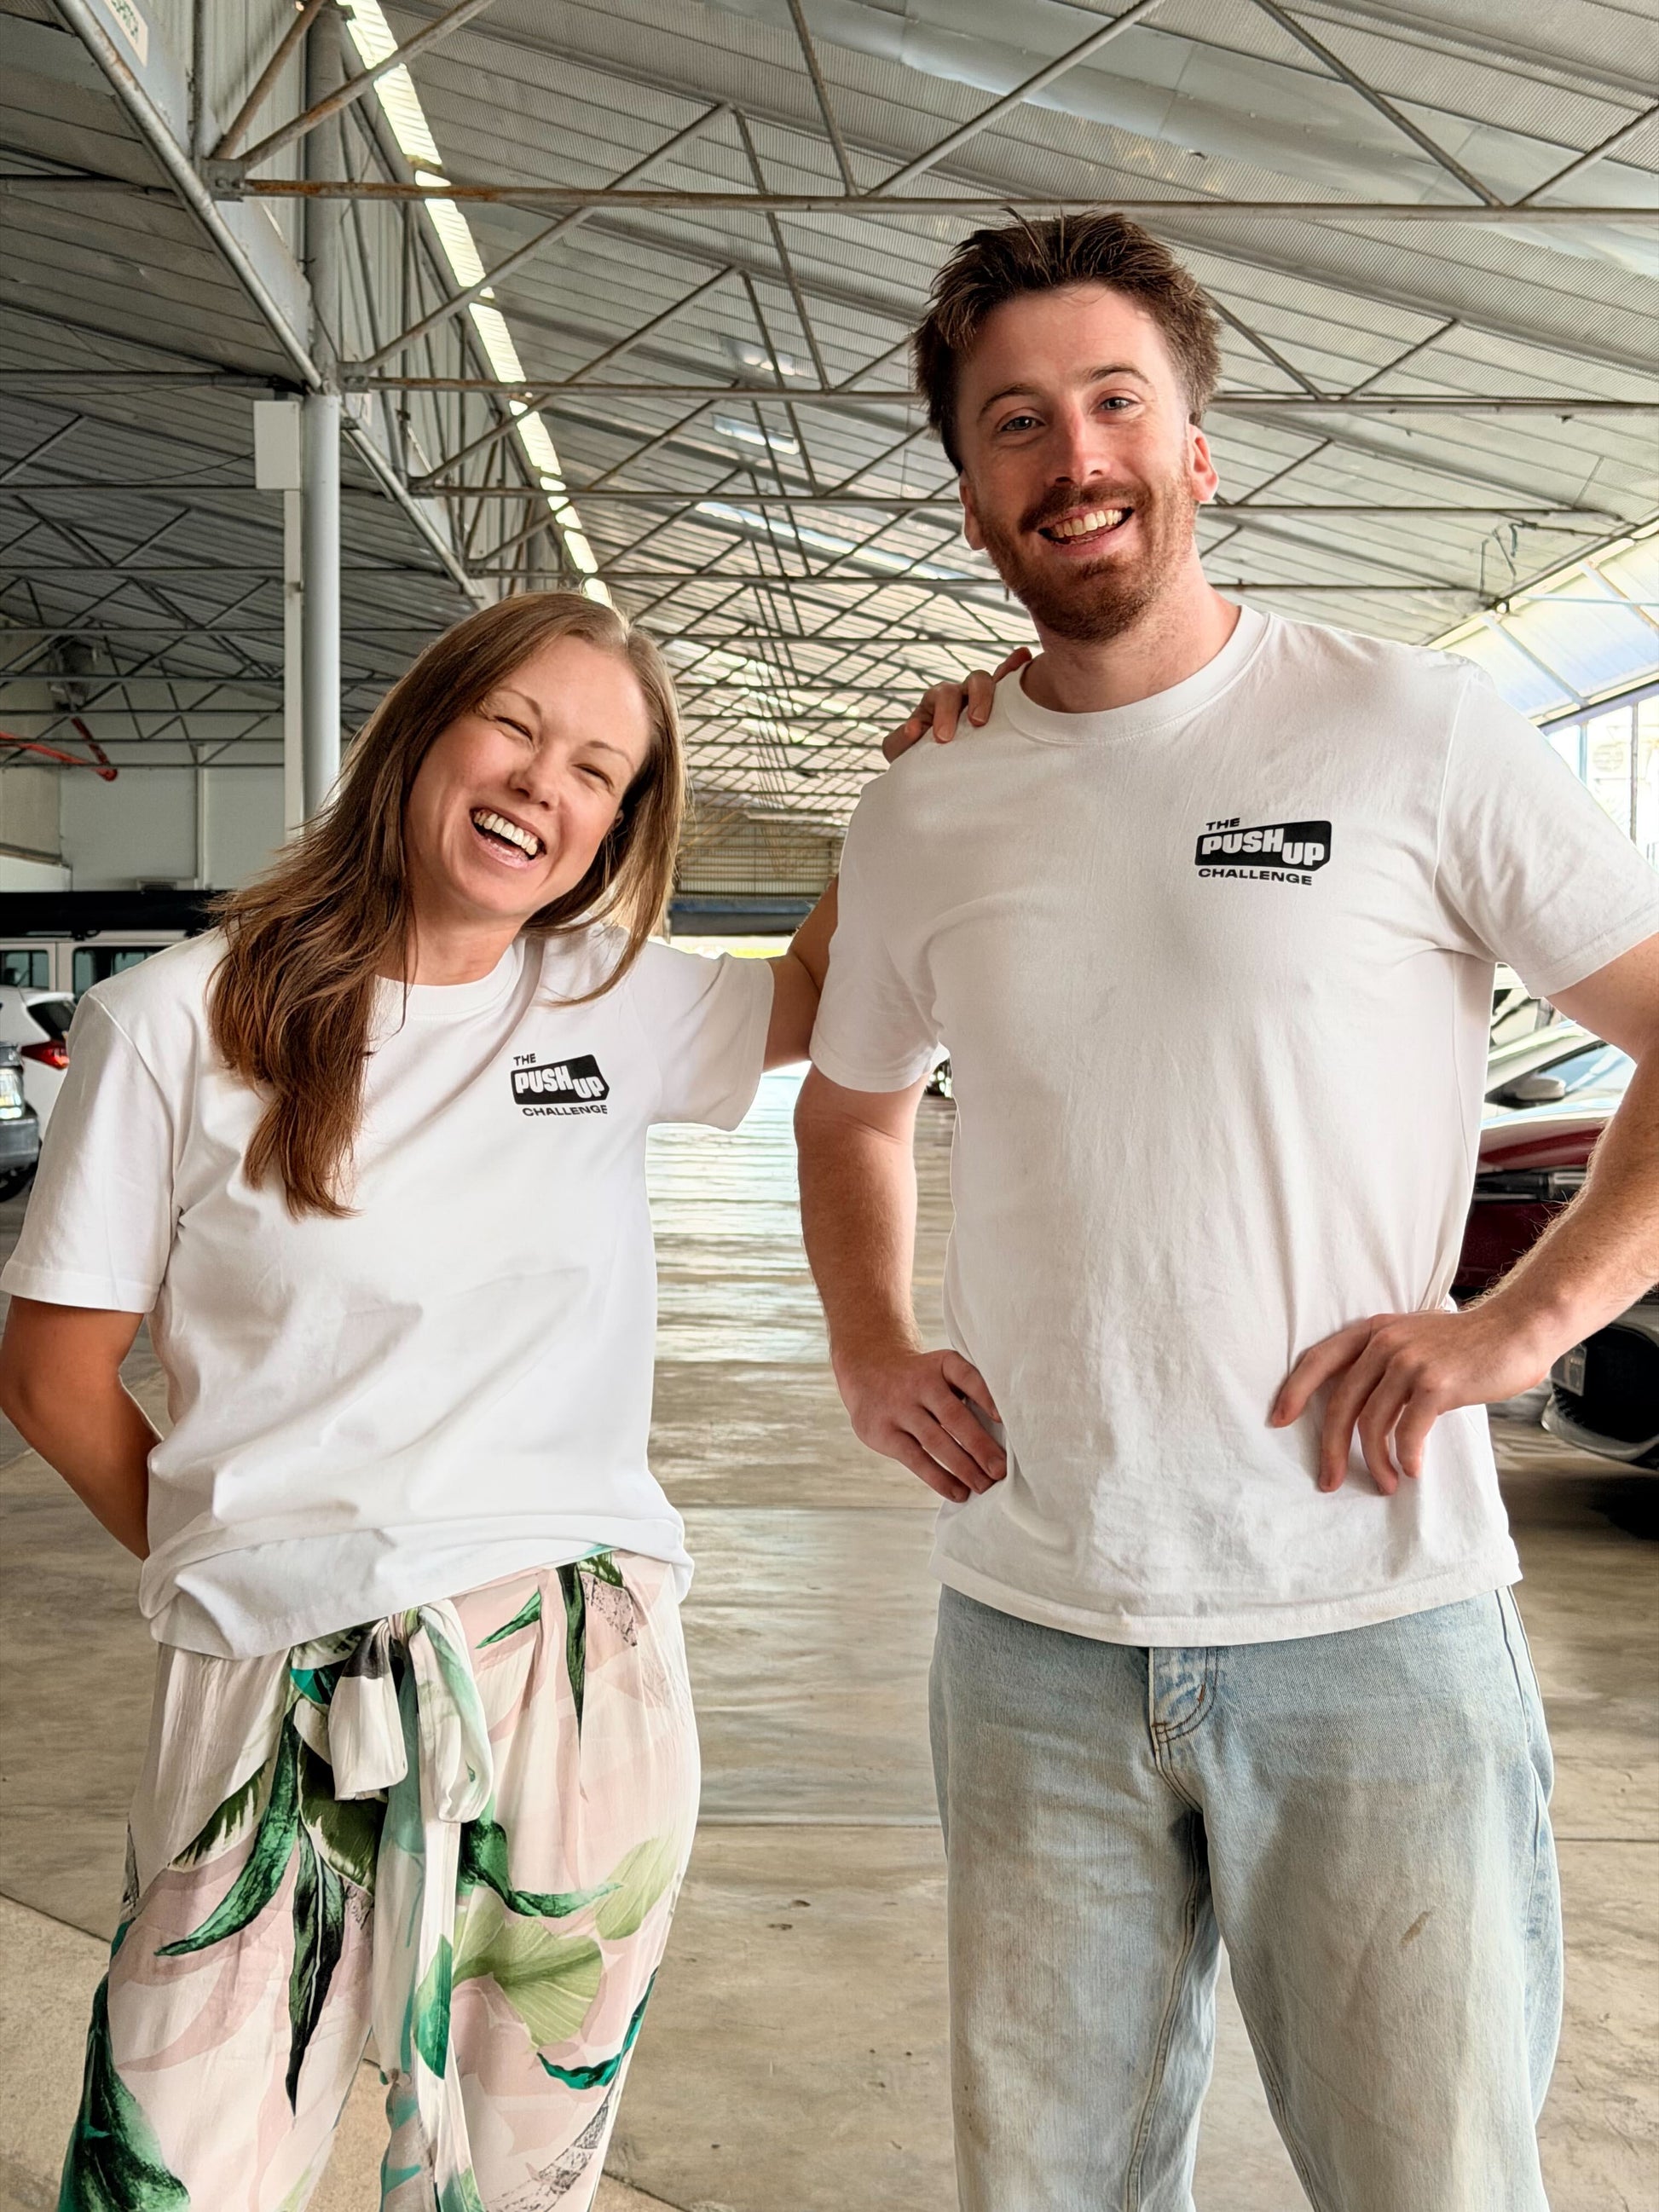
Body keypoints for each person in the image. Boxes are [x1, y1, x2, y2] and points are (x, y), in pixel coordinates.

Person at [796, 212, 1659, 2211]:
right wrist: (867, 1340)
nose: (1071, 454)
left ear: (1197, 448)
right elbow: (848, 1107)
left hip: (1369, 1615)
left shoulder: (1405, 728)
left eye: (1114, 401)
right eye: (1016, 421)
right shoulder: (926, 797)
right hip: (1032, 1627)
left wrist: (1520, 1325)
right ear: (969, 494)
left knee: (1430, 2181)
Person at [0, 591, 837, 2212]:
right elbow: (50, 1374)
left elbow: (842, 980)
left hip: (574, 1663)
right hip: (276, 1668)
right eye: (514, 727)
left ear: (617, 828)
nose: (541, 785)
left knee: (517, 2179)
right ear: (420, 733)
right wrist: (246, 1563)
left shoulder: (615, 997)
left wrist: (952, 765)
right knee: (179, 2169)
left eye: (596, 771)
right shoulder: (173, 1019)